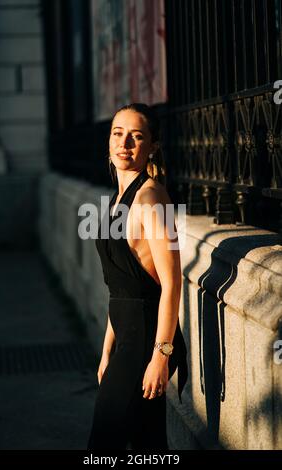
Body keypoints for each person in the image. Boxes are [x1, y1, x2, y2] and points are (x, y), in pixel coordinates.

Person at [87, 103, 187, 450]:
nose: (124, 143)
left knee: (104, 446)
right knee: (147, 444)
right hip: (127, 340)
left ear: (152, 147)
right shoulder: (115, 200)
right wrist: (106, 352)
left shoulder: (152, 198)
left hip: (147, 342)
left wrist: (161, 356)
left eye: (136, 136)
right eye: (118, 133)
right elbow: (122, 286)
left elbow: (171, 284)